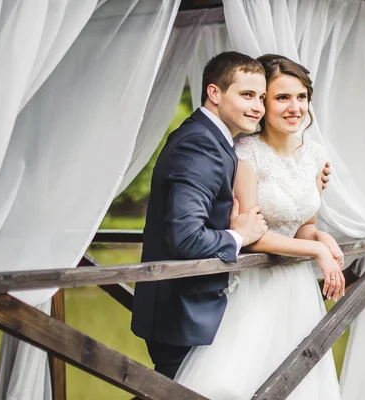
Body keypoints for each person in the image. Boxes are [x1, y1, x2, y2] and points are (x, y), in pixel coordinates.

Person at [174, 54, 344, 399]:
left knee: (302, 383)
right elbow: (252, 237)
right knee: (238, 383)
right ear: (264, 104)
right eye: (282, 98)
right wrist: (317, 251)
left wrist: (322, 236)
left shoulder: (314, 155)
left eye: (301, 97)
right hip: (256, 288)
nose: (295, 107)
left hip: (298, 290)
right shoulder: (245, 153)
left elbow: (304, 226)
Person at [131, 52, 270, 379]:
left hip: (192, 309)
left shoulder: (215, 140)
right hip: (182, 313)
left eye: (262, 97)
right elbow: (187, 237)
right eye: (247, 95)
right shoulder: (199, 143)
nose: (258, 107)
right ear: (214, 93)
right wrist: (240, 235)